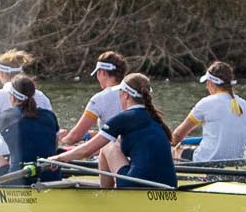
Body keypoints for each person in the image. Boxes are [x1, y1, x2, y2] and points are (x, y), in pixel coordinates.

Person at [49, 72, 177, 189]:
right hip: (169, 184)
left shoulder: (123, 118)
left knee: (108, 146)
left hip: (136, 185)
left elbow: (87, 150)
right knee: (116, 145)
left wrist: (58, 158)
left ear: (125, 95)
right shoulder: (156, 118)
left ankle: (106, 193)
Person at [0, 74, 59, 182]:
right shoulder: (50, 116)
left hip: (17, 180)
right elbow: (55, 145)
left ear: (12, 97)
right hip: (52, 178)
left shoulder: (4, 117)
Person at [0, 51, 58, 167]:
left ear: (1, 73)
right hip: (44, 159)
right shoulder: (42, 96)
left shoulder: (0, 95)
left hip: (10, 156)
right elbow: (53, 135)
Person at [170, 61, 246, 162]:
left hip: (206, 163)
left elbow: (177, 135)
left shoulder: (206, 103)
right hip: (234, 163)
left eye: (206, 83)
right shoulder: (244, 104)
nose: (206, 86)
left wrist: (172, 143)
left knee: (174, 151)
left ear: (210, 83)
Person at [59, 51, 128, 145]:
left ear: (102, 72)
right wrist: (88, 135)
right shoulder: (135, 94)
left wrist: (61, 140)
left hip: (113, 152)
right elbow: (118, 134)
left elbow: (74, 137)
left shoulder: (100, 98)